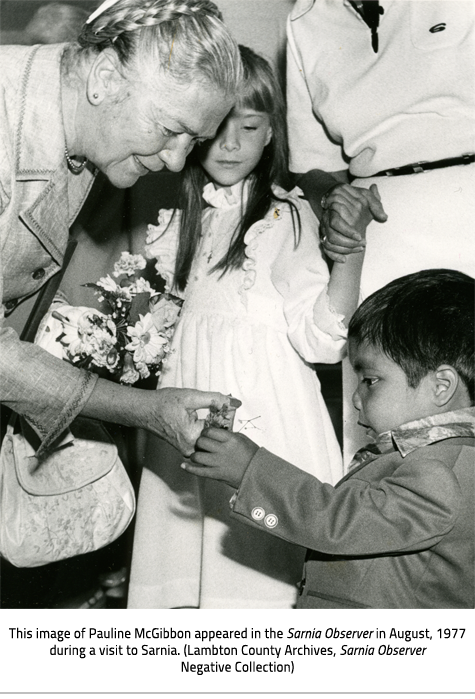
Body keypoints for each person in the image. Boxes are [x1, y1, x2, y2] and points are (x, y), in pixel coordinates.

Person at [127, 46, 372, 609]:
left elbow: (321, 339)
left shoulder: (283, 219)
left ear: (271, 134)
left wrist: (350, 256)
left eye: (250, 126)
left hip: (261, 427)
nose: (231, 144)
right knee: (190, 571)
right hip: (186, 425)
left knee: (252, 582)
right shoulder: (183, 223)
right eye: (217, 129)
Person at [0, 0, 242, 459]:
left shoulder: (84, 125)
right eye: (171, 129)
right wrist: (144, 409)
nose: (175, 160)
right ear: (105, 78)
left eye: (193, 142)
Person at [184, 269, 475, 609]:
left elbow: (340, 522)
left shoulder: (444, 473)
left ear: (440, 387)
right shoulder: (430, 460)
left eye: (370, 380)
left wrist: (250, 469)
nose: (355, 399)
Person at [286, 0, 475, 460]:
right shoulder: (303, 18)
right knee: (390, 419)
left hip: (466, 208)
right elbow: (311, 165)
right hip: (380, 237)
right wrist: (334, 199)